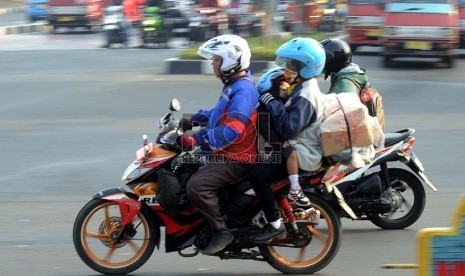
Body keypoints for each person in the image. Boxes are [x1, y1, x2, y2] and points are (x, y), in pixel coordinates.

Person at [177, 34, 259, 255]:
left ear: (230, 61)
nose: (213, 64)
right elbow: (217, 114)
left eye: (216, 60)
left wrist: (197, 139)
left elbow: (232, 130)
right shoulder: (234, 86)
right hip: (227, 153)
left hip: (237, 157)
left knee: (196, 186)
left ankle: (221, 230)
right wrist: (190, 120)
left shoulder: (243, 90)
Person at [249, 37, 326, 244]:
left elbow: (288, 128)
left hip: (301, 154)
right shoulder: (301, 88)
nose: (287, 70)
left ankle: (274, 224)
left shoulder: (306, 96)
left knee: (258, 176)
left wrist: (272, 102)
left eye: (292, 65)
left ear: (307, 67)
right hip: (294, 148)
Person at [257, 66, 311, 207]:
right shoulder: (267, 108)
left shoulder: (285, 102)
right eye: (282, 84)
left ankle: (294, 188)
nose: (287, 87)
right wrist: (280, 143)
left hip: (289, 145)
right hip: (272, 149)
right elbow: (268, 132)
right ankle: (294, 188)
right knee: (257, 177)